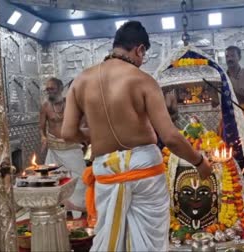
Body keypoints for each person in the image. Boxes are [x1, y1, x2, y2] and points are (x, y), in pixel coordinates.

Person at [61, 21, 212, 251]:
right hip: (144, 173)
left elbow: (68, 133)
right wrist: (200, 163)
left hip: (107, 172)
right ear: (139, 49)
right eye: (144, 55)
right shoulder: (143, 80)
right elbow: (170, 137)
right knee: (149, 243)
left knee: (111, 238)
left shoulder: (80, 81)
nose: (142, 61)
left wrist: (95, 135)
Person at [40, 77, 87, 218]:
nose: (49, 92)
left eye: (52, 89)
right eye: (47, 89)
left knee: (80, 179)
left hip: (72, 147)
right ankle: (59, 210)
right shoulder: (45, 106)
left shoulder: (71, 104)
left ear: (60, 89)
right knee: (53, 180)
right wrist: (43, 137)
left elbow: (82, 120)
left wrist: (82, 134)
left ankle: (79, 209)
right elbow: (41, 127)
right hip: (55, 149)